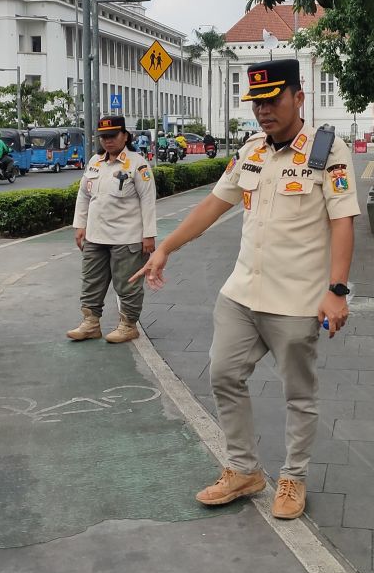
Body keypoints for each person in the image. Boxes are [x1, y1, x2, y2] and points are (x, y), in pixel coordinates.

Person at [133, 59, 359, 521]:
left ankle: (293, 477)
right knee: (222, 374)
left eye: (273, 100)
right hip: (241, 292)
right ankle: (244, 469)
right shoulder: (251, 149)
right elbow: (214, 205)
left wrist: (336, 289)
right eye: (256, 102)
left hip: (296, 299)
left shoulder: (328, 151)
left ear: (299, 97)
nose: (262, 111)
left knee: (298, 393)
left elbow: (343, 221)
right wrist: (166, 249)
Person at [68, 115, 157, 344]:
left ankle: (128, 325)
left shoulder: (138, 164)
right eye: (103, 137)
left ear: (125, 136)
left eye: (113, 135)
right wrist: (80, 225)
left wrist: (149, 236)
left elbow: (148, 200)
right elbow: (84, 195)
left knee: (127, 284)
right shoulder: (94, 162)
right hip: (95, 235)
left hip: (127, 236)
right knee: (91, 281)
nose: (108, 141)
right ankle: (90, 324)